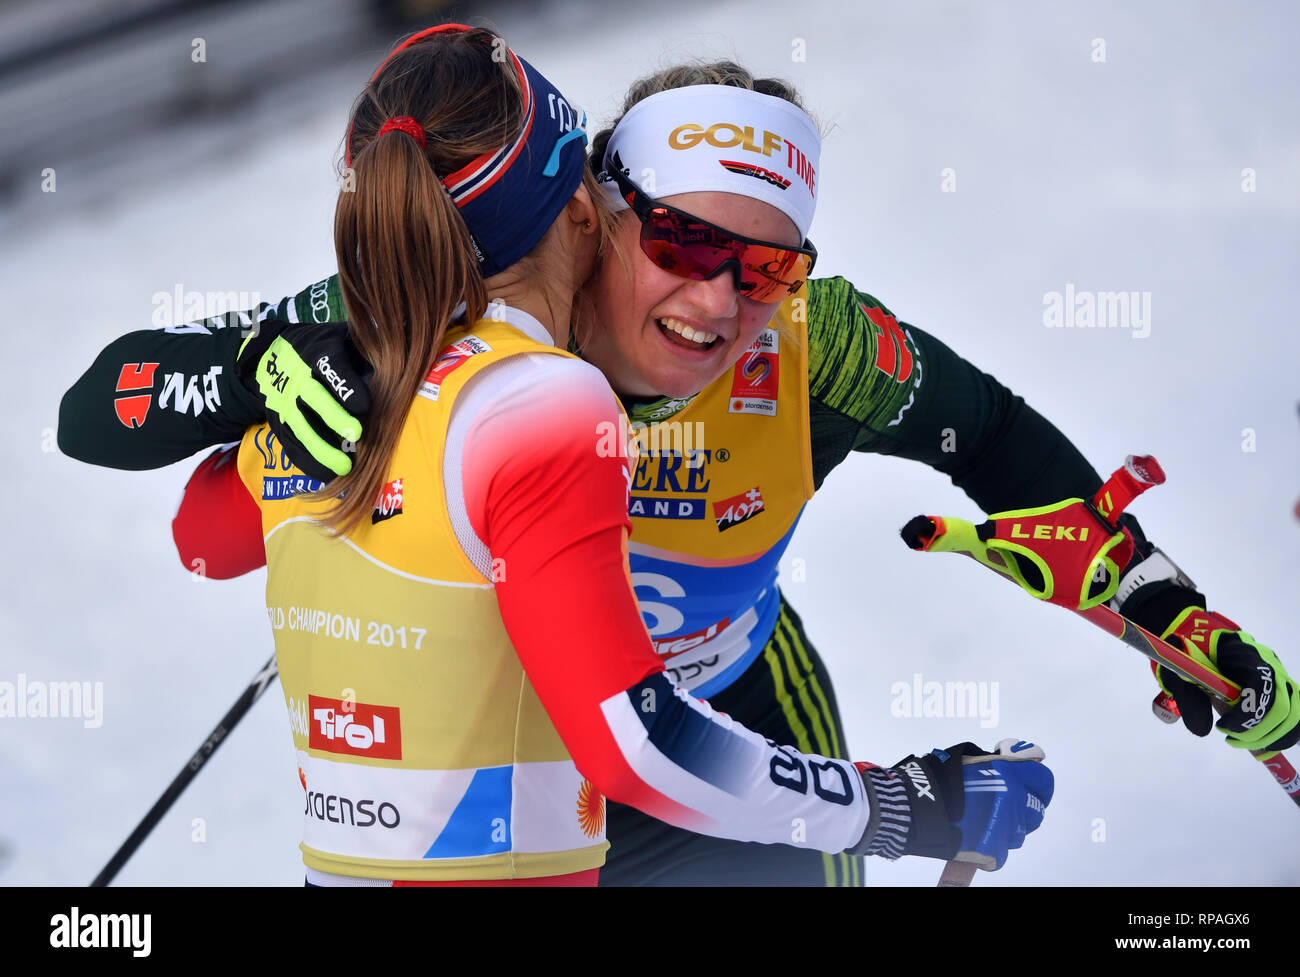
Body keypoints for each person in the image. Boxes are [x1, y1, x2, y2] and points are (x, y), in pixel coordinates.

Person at [61, 50, 1288, 888]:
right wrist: (273, 363)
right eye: (685, 241)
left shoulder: (822, 347)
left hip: (734, 716)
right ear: (595, 210)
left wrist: (1169, 615)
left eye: (765, 267)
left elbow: (1007, 448)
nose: (716, 301)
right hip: (515, 763)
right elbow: (95, 407)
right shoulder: (432, 308)